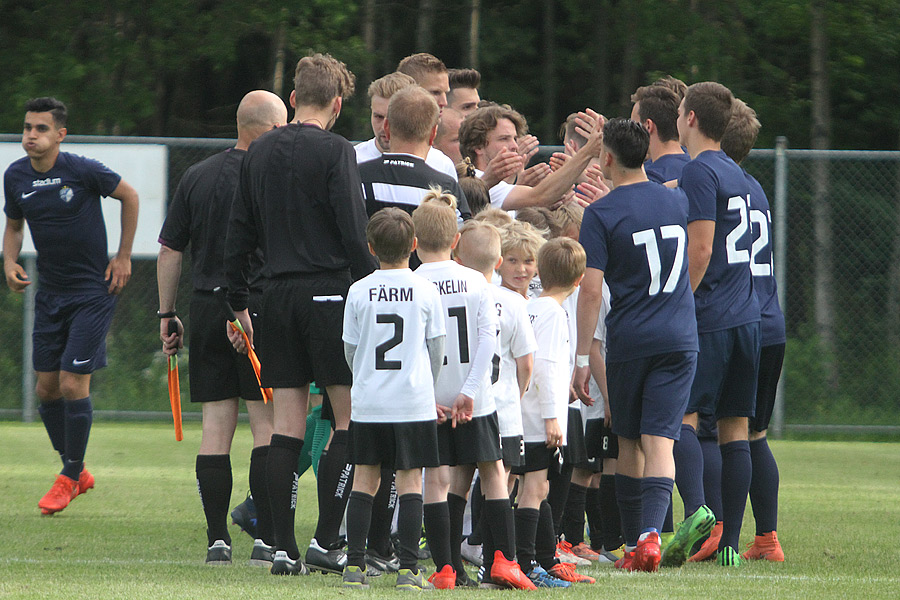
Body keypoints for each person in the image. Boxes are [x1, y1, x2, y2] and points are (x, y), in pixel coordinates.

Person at [224, 53, 377, 576]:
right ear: (337, 104)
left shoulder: (258, 152)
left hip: (273, 298)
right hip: (330, 295)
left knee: (285, 427)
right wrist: (375, 283)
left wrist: (238, 301)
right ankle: (326, 540)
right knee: (346, 419)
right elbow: (354, 232)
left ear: (293, 99)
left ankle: (282, 547)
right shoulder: (337, 151)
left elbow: (238, 231)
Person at [156, 90, 286, 565]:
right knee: (266, 426)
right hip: (257, 307)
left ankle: (217, 539)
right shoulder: (274, 177)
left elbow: (170, 249)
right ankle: (267, 539)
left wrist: (167, 315)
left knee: (215, 428)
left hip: (208, 308)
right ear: (272, 130)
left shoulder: (197, 175)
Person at [573, 118, 700, 572]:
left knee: (628, 442)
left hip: (632, 338)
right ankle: (650, 535)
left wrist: (581, 356)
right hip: (681, 336)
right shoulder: (676, 199)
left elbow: (590, 291)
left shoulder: (602, 212)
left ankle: (632, 543)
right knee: (661, 441)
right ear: (645, 153)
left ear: (606, 158)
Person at [3, 97, 139, 516]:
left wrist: (123, 256)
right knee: (46, 389)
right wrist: (9, 260)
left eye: (41, 129)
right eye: (27, 128)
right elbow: (14, 224)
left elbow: (130, 197)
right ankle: (75, 471)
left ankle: (69, 475)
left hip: (92, 292)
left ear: (60, 135)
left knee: (72, 383)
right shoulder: (16, 176)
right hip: (50, 295)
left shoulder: (81, 170)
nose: (31, 135)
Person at [412, 193, 534, 590]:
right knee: (493, 472)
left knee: (437, 478)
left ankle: (446, 569)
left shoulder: (413, 282)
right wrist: (469, 391)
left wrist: (427, 395)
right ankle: (505, 561)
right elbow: (487, 342)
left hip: (430, 400)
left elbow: (414, 347)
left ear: (415, 240)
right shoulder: (475, 281)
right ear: (454, 242)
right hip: (474, 397)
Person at [670, 81, 761, 568]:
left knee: (683, 417)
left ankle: (696, 516)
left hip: (711, 315)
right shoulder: (738, 173)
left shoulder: (700, 169)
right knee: (735, 429)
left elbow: (701, 248)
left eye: (681, 111)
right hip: (748, 317)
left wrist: (679, 300)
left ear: (691, 119)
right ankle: (728, 543)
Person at [340, 208, 446, 591]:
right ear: (414, 246)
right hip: (412, 402)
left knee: (364, 481)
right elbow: (436, 350)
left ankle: (354, 566)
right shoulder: (425, 289)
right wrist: (423, 386)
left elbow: (350, 351)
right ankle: (408, 571)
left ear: (370, 248)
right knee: (410, 483)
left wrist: (368, 381)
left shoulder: (357, 290)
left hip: (369, 403)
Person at [720, 99, 786, 562]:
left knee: (720, 431)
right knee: (754, 433)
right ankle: (766, 539)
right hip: (770, 319)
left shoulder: (715, 184)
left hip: (735, 319)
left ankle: (719, 537)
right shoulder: (754, 187)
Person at [512, 237, 585, 587]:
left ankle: (536, 559)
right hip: (539, 418)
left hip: (519, 413)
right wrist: (553, 417)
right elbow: (545, 367)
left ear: (539, 270)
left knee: (526, 486)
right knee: (535, 489)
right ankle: (527, 565)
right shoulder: (555, 314)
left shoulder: (528, 306)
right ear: (579, 279)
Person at [359, 86, 471, 223]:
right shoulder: (445, 189)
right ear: (433, 133)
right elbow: (463, 235)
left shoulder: (358, 178)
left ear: (386, 127)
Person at [458, 105, 602, 210]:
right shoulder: (477, 178)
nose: (514, 145)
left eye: (515, 138)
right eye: (504, 139)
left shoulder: (499, 185)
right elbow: (540, 196)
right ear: (478, 147)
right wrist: (588, 151)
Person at [355, 71, 458, 180]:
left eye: (393, 119)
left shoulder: (442, 165)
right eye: (378, 117)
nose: (384, 127)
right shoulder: (354, 159)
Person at [630, 78, 690, 185]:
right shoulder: (696, 166)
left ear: (648, 126)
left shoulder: (649, 177)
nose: (630, 132)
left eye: (634, 125)